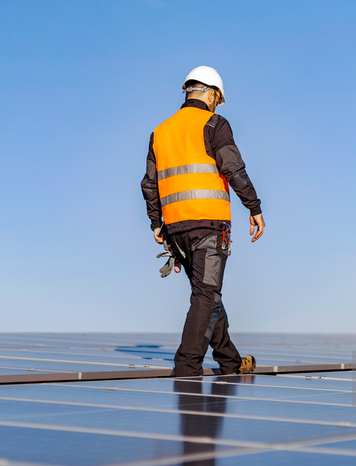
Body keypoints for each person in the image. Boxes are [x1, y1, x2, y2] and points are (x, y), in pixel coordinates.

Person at [141, 65, 265, 377]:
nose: (216, 104)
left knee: (206, 294)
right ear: (210, 93)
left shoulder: (161, 131)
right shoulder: (213, 123)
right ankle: (186, 366)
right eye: (217, 99)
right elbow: (233, 168)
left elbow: (149, 183)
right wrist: (254, 207)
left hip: (176, 230)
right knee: (205, 296)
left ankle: (231, 363)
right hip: (209, 227)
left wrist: (157, 223)